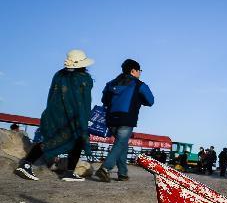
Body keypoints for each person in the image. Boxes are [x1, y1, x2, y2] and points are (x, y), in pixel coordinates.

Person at [16, 49, 95, 182]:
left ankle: (29, 164)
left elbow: (52, 94)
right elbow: (84, 102)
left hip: (54, 114)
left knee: (53, 140)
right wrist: (84, 119)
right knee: (77, 140)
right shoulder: (84, 79)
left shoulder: (59, 75)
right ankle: (28, 165)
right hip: (73, 117)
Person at [95, 59, 154, 182]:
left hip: (111, 118)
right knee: (121, 143)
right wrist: (140, 100)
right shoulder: (139, 85)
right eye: (139, 71)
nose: (140, 73)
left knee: (122, 144)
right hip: (126, 119)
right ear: (133, 71)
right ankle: (105, 168)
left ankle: (122, 173)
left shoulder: (111, 83)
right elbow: (150, 101)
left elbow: (104, 100)